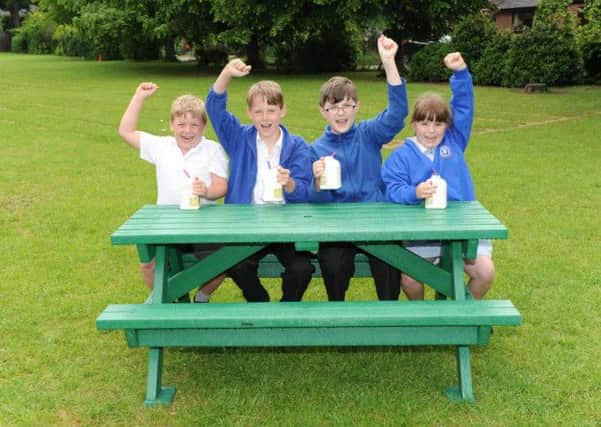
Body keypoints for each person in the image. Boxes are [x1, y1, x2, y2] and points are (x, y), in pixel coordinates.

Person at [381, 52, 495, 300]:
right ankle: (422, 318)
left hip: (461, 227)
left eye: (438, 124)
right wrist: (414, 192)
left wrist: (461, 73)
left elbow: (464, 107)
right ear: (413, 124)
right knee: (410, 280)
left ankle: (459, 314)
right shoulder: (402, 155)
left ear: (447, 126)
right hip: (422, 233)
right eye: (424, 124)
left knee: (485, 273)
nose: (431, 131)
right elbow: (391, 189)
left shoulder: (454, 142)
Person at [205, 59, 314, 302]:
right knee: (237, 264)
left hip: (286, 226)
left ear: (282, 111)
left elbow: (305, 193)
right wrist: (226, 74)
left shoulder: (297, 146)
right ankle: (259, 302)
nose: (265, 118)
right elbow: (214, 109)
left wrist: (290, 184)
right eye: (258, 111)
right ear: (249, 113)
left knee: (301, 268)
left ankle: (288, 306)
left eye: (271, 110)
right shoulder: (239, 139)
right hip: (246, 223)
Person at [309, 34, 408, 301]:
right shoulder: (315, 149)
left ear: (357, 107)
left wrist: (389, 62)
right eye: (334, 107)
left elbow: (398, 114)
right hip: (336, 224)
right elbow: (315, 200)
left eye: (347, 106)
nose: (341, 113)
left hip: (376, 217)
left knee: (388, 258)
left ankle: (389, 314)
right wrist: (317, 181)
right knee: (333, 264)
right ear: (323, 111)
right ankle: (338, 315)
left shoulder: (369, 134)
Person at [118, 82, 228, 302]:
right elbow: (125, 131)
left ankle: (202, 297)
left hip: (203, 224)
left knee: (225, 260)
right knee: (148, 264)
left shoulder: (212, 149)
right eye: (181, 124)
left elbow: (221, 186)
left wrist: (206, 191)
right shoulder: (161, 146)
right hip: (166, 224)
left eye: (194, 125)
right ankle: (168, 301)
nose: (187, 131)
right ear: (171, 125)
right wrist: (139, 97)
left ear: (203, 127)